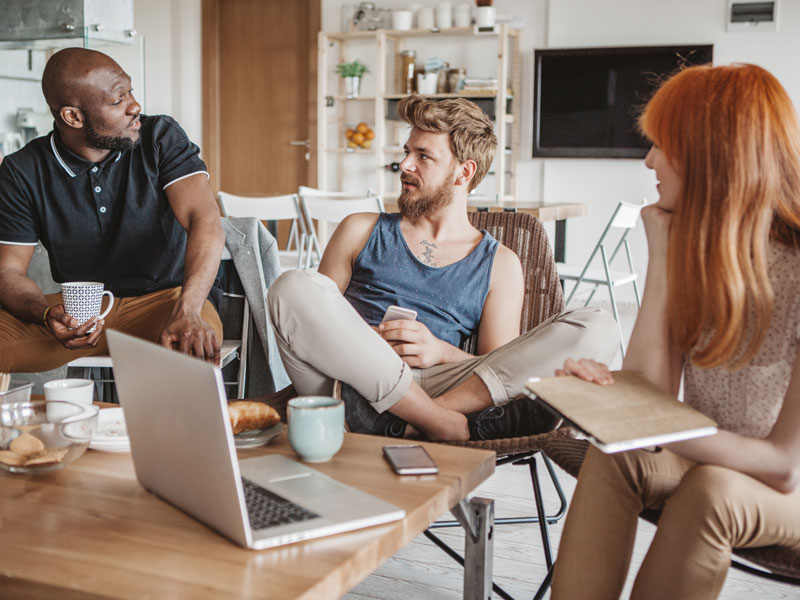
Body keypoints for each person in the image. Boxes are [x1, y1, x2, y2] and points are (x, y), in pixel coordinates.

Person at [550, 63, 800, 599]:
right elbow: (654, 395)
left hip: (784, 486)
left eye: (663, 145)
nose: (649, 160)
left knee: (713, 491)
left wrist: (650, 425)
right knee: (616, 454)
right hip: (715, 458)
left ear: (714, 156)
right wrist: (661, 256)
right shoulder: (700, 253)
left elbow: (783, 467)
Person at [267, 95, 617, 441]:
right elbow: (314, 317)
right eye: (406, 152)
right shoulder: (360, 229)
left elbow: (501, 367)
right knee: (293, 285)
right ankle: (436, 422)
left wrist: (440, 351)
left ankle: (414, 420)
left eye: (423, 156)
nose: (404, 165)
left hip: (440, 384)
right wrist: (362, 340)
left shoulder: (500, 263)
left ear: (464, 172)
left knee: (598, 325)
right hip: (349, 385)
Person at [0, 48, 224, 374]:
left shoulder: (159, 137)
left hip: (166, 301)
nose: (136, 106)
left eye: (130, 91)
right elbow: (8, 272)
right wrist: (47, 315)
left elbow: (204, 220)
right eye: (118, 100)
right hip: (80, 310)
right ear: (72, 117)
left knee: (193, 352)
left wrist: (188, 309)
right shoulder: (22, 170)